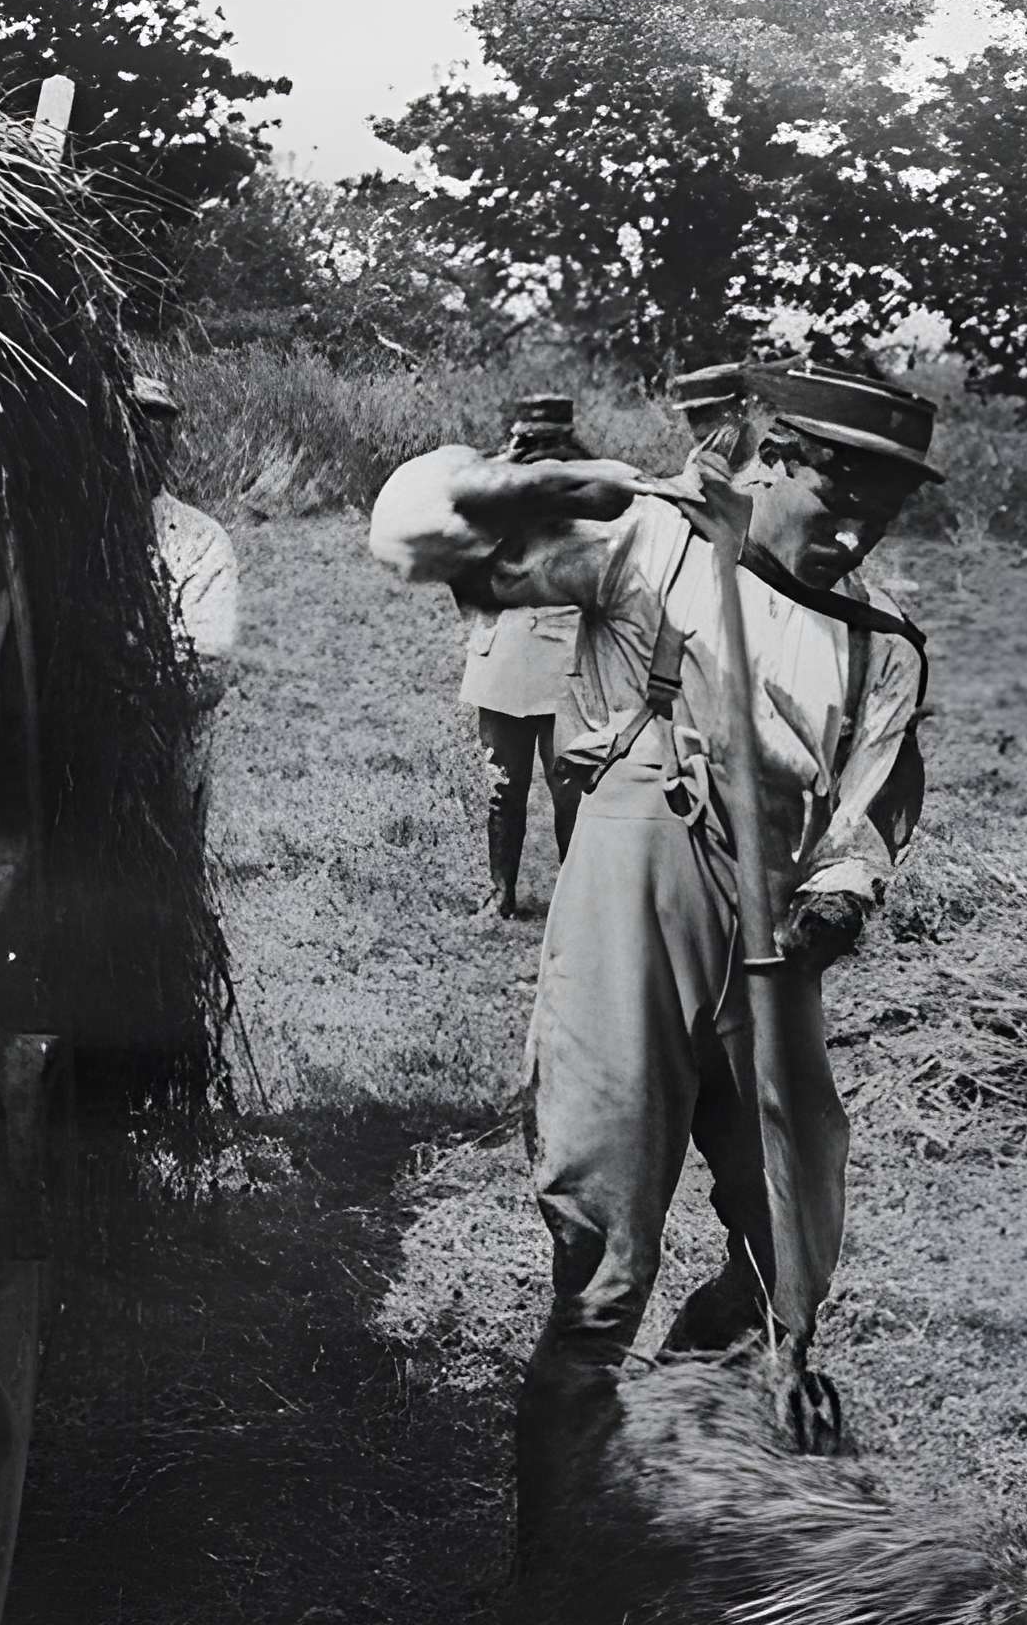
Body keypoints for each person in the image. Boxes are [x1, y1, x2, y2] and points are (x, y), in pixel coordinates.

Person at [369, 357, 937, 1553]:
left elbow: (874, 809)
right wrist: (578, 480)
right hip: (639, 876)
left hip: (777, 936)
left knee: (792, 1244)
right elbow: (410, 535)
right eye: (832, 498)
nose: (850, 532)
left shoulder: (885, 641)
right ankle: (563, 1548)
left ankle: (692, 1448)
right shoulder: (656, 544)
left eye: (878, 515)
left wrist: (838, 897)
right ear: (771, 457)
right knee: (604, 1235)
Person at [460, 394, 590, 920]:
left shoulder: (590, 486)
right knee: (501, 781)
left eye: (547, 442)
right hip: (504, 648)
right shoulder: (491, 485)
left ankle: (579, 900)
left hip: (568, 650)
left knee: (573, 785)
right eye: (529, 441)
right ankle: (500, 892)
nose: (538, 453)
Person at [134, 374, 240, 832]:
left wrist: (133, 683)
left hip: (169, 744)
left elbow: (208, 669)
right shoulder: (81, 532)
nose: (145, 443)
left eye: (159, 429)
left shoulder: (200, 538)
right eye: (135, 427)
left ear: (172, 442)